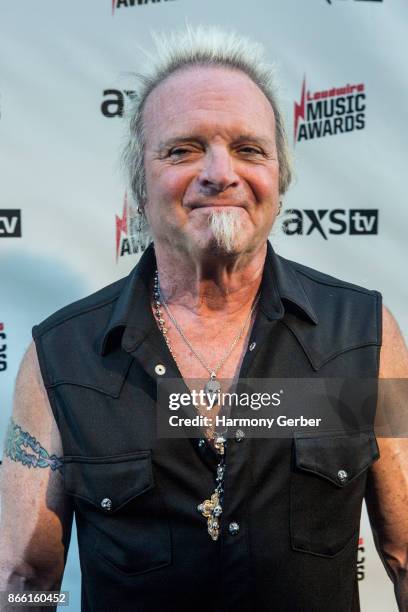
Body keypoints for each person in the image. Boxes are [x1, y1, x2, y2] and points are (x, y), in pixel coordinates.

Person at [1, 25, 407, 612]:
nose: (221, 173)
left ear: (279, 179)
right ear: (140, 188)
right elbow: (25, 581)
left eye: (249, 149)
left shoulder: (361, 336)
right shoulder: (66, 355)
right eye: (184, 149)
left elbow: (402, 553)